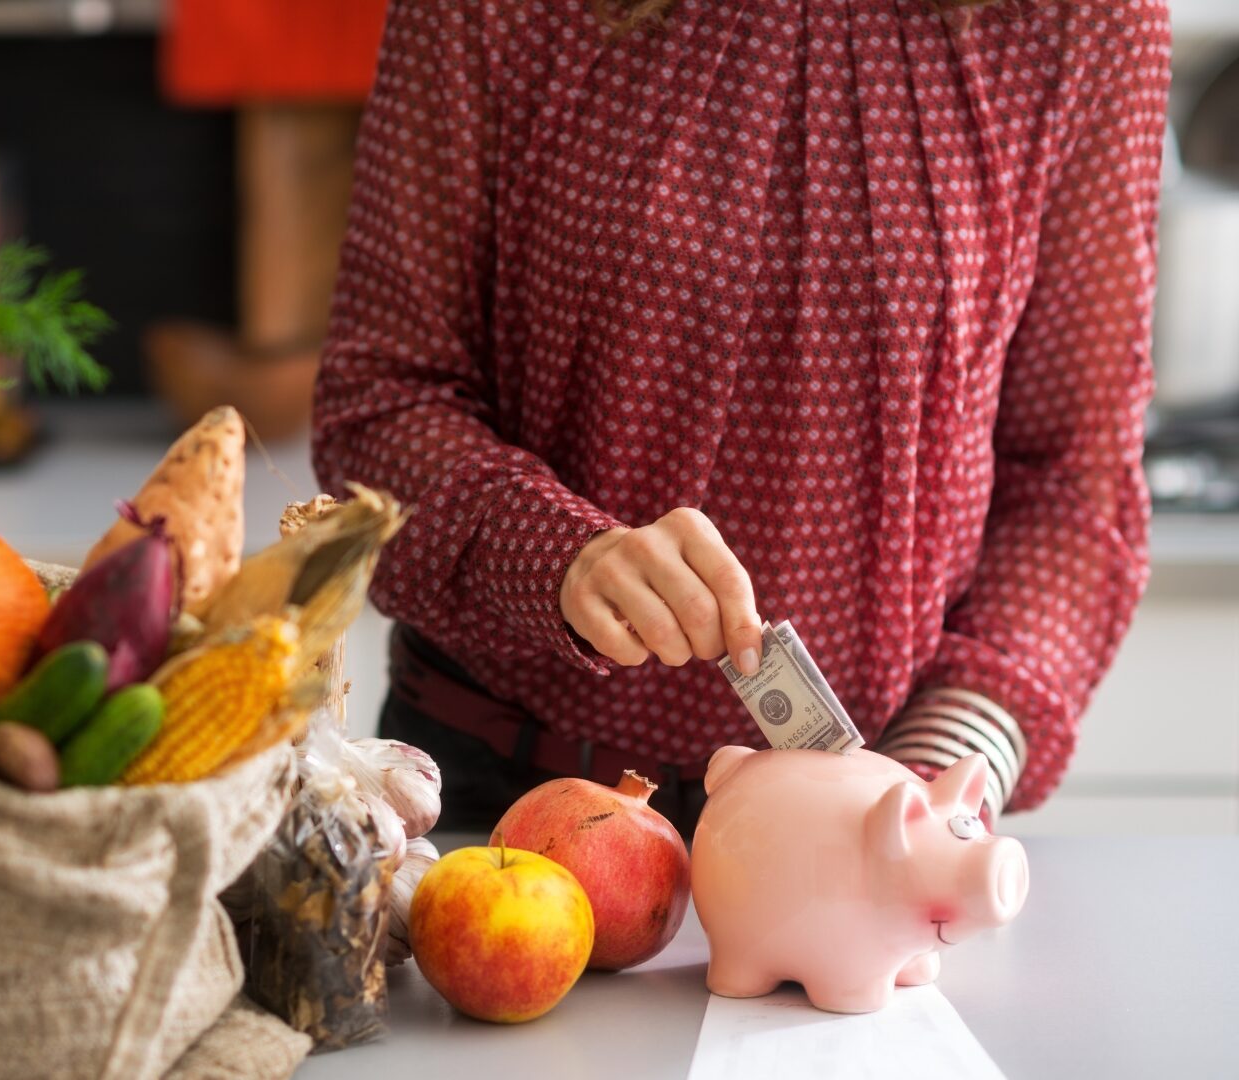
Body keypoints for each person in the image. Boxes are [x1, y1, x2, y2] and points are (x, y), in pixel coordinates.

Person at [312, 0, 1170, 834]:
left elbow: (1073, 484)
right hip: (502, 805)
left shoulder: (1082, 18)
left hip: (871, 826)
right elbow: (380, 402)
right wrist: (557, 556)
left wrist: (940, 776)